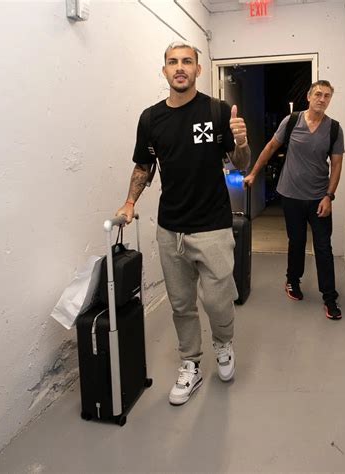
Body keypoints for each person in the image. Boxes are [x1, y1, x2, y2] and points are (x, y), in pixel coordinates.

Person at [116, 41, 251, 406]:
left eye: (187, 62)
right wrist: (129, 203)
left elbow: (239, 164)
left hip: (213, 227)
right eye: (173, 62)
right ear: (164, 71)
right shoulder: (150, 118)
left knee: (219, 302)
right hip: (170, 229)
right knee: (181, 304)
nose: (180, 67)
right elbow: (144, 167)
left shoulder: (216, 110)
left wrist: (241, 141)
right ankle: (190, 363)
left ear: (197, 69)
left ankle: (223, 345)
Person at [243, 80, 344, 320]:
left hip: (319, 198)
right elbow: (270, 147)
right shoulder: (292, 121)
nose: (322, 99)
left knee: (323, 247)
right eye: (318, 94)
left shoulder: (334, 129)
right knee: (296, 241)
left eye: (327, 96)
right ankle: (292, 281)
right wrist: (254, 172)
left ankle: (329, 297)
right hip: (290, 195)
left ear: (330, 100)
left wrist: (329, 196)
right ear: (309, 96)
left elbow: (337, 164)